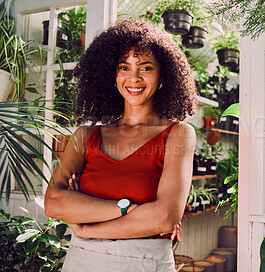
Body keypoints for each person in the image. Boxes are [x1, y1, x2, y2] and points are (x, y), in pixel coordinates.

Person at [44, 18, 197, 272]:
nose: (133, 78)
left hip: (144, 262)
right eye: (124, 67)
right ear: (111, 74)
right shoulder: (85, 136)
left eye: (146, 68)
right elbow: (54, 203)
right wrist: (127, 209)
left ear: (162, 76)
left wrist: (87, 226)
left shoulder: (178, 134)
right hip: (82, 260)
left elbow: (165, 217)